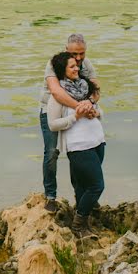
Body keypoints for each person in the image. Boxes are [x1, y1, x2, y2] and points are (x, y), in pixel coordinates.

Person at [46, 51, 105, 238]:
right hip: (79, 146)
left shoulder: (84, 87)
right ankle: (78, 225)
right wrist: (75, 116)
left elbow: (100, 110)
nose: (77, 68)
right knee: (97, 186)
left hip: (97, 141)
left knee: (82, 185)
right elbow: (52, 125)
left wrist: (95, 112)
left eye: (76, 65)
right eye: (71, 66)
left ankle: (83, 224)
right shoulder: (57, 96)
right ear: (62, 71)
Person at [39, 34, 100, 213]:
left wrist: (89, 103)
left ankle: (81, 195)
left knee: (78, 153)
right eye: (75, 54)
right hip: (52, 112)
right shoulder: (54, 64)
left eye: (82, 53)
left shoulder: (86, 64)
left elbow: (96, 90)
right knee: (51, 153)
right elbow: (56, 92)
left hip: (77, 113)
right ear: (67, 50)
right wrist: (81, 108)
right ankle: (50, 196)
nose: (79, 58)